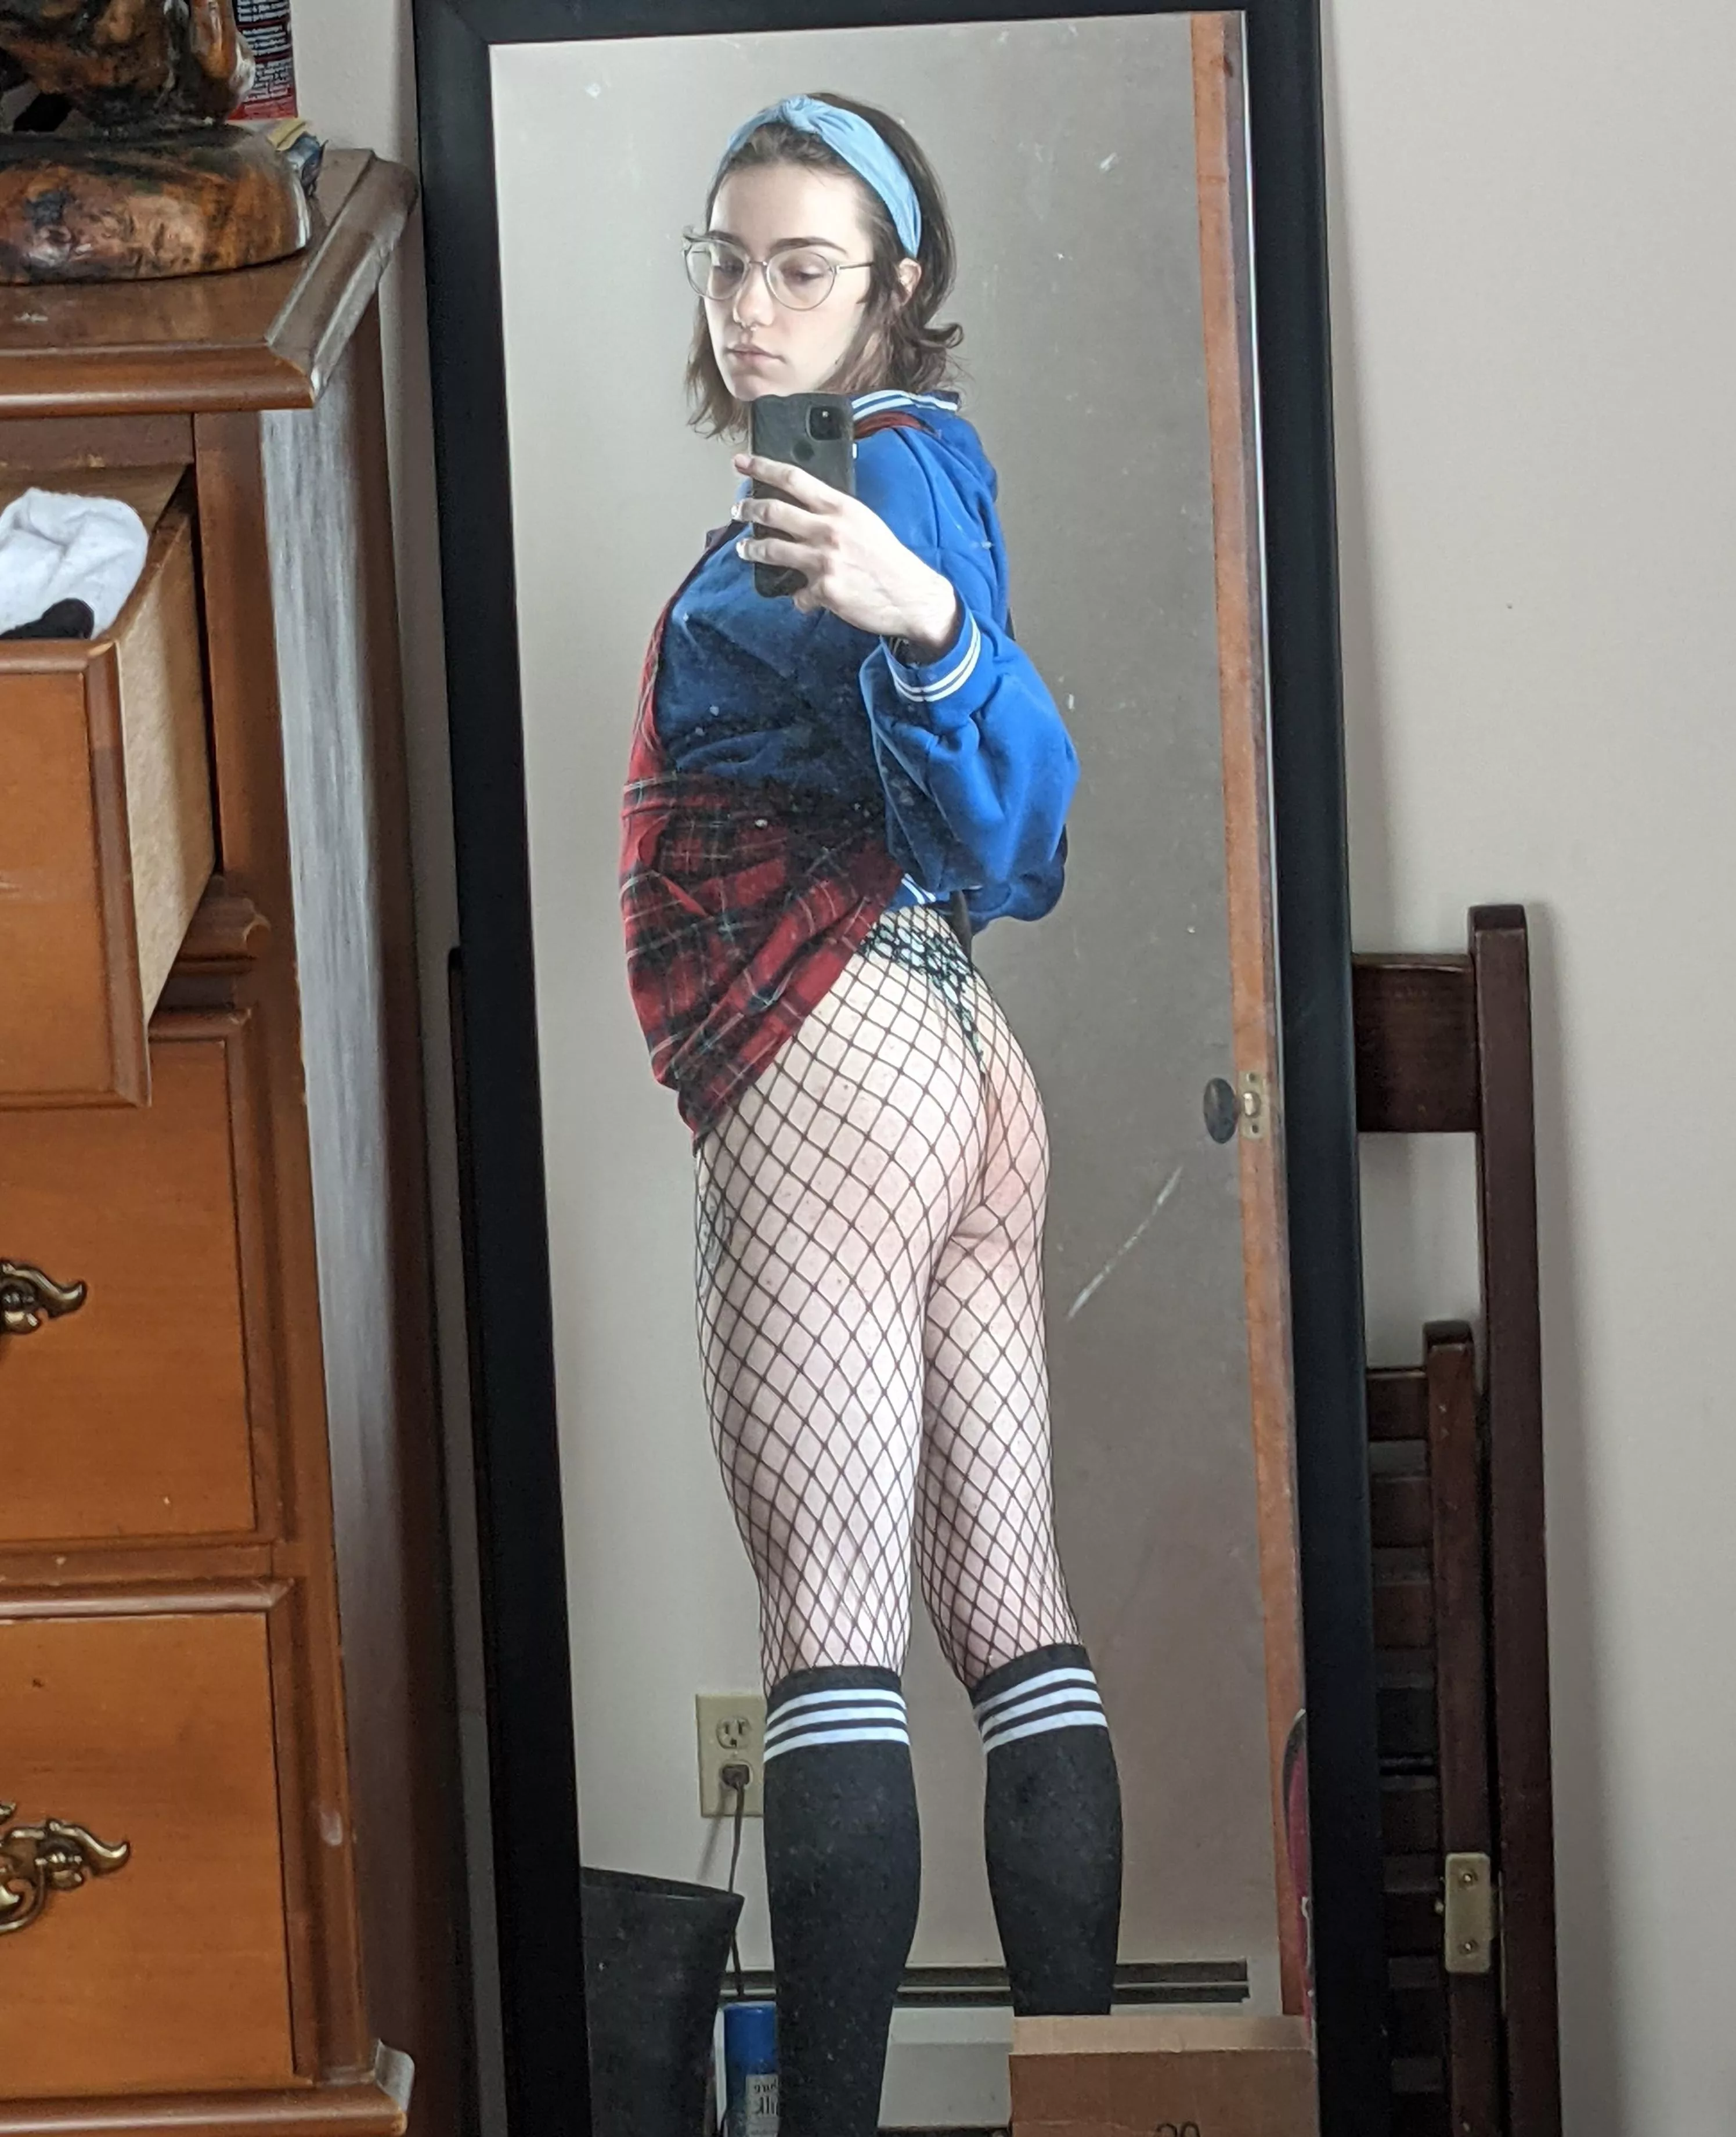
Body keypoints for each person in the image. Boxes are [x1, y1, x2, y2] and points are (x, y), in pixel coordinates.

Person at [619, 91, 1123, 2137]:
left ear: (894, 287)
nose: (753, 304)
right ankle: (1092, 2105)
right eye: (727, 260)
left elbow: (1021, 819)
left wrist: (929, 625)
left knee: (831, 1640)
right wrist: (922, 627)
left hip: (832, 1053)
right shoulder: (860, 468)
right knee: (1014, 1623)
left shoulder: (890, 467)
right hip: (953, 1067)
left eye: (804, 267)